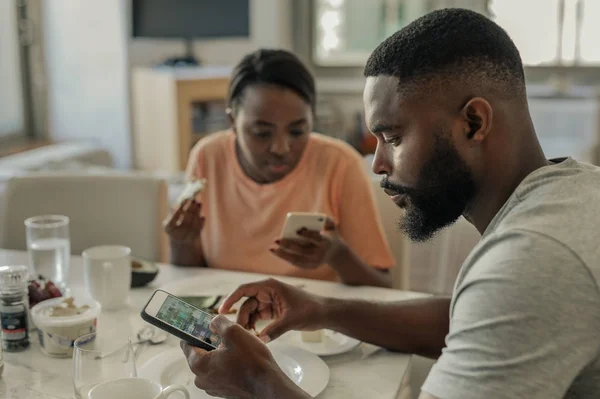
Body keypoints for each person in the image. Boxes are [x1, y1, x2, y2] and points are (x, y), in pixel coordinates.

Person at [181, 8, 600, 399]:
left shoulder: (533, 258)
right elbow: (471, 319)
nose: (379, 163)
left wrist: (260, 382)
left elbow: (507, 299)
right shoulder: (574, 190)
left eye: (394, 138)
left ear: (474, 123)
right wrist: (319, 308)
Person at [164, 49, 394, 287]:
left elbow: (383, 287)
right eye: (262, 133)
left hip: (313, 321)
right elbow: (189, 280)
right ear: (232, 121)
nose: (281, 148)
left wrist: (337, 255)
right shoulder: (207, 157)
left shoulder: (340, 164)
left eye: (297, 131)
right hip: (225, 316)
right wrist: (181, 243)